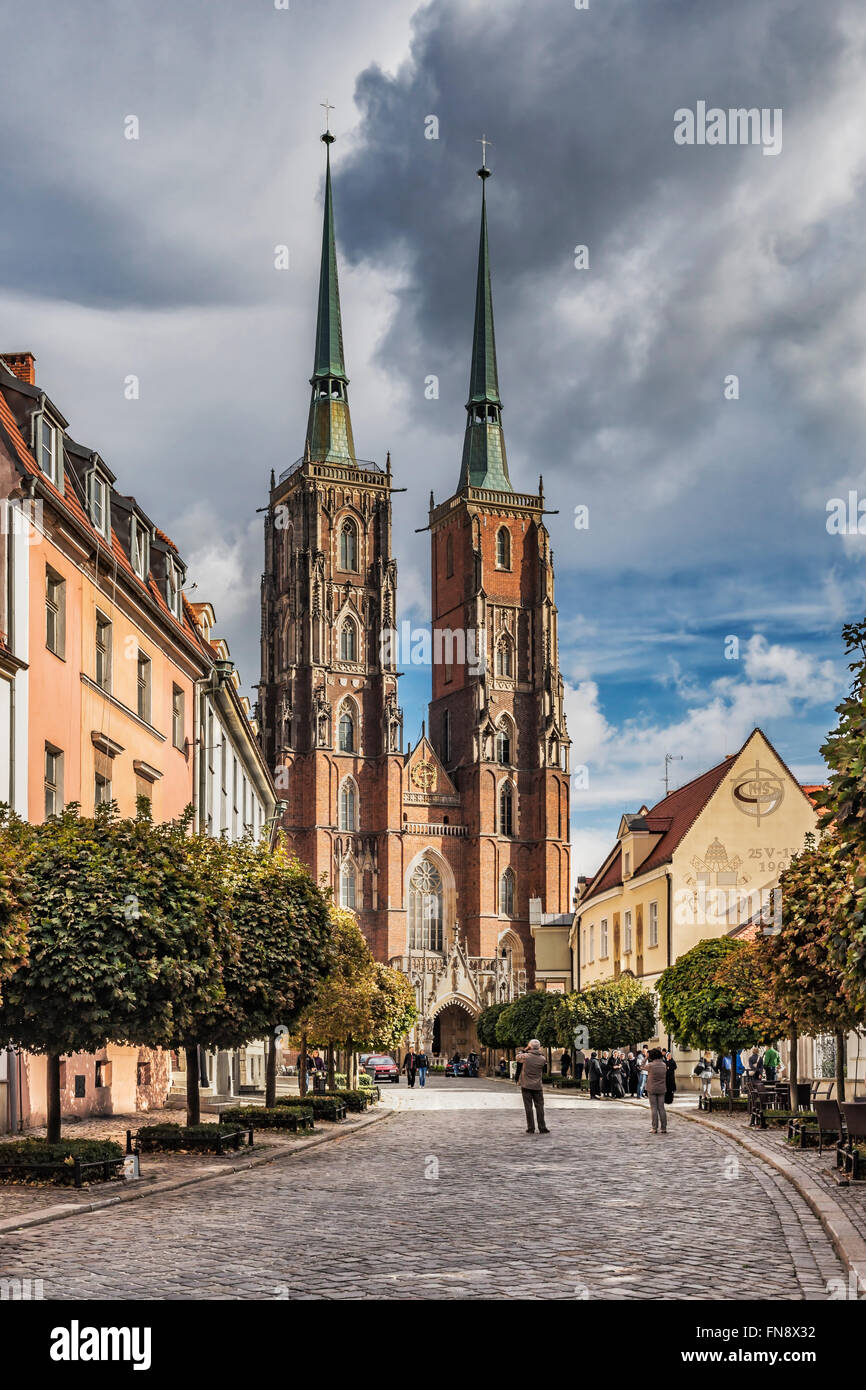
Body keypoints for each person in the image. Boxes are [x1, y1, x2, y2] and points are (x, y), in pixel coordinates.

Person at [515, 1038, 549, 1134]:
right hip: (537, 1086)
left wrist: (524, 1050)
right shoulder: (543, 1058)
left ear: (530, 1046)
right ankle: (542, 1127)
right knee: (540, 1107)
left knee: (528, 1107)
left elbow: (517, 1057)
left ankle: (531, 1128)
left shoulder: (525, 1056)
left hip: (526, 1085)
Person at [646, 1047, 668, 1133]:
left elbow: (640, 1066)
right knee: (661, 1108)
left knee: (654, 1108)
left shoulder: (650, 1065)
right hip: (662, 1088)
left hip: (652, 1088)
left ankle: (654, 1128)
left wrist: (646, 1058)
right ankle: (664, 1128)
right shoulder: (664, 1065)